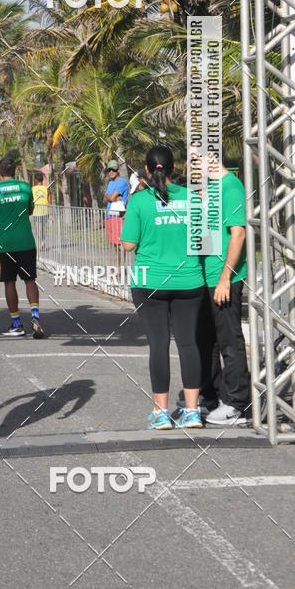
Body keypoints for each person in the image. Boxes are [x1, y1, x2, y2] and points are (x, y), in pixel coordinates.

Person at [121, 145, 206, 430]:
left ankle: (161, 412)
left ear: (147, 171)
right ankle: (193, 411)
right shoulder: (192, 198)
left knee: (158, 344)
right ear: (173, 169)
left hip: (150, 282)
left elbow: (129, 244)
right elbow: (203, 239)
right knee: (188, 343)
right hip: (190, 280)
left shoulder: (140, 201)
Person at [195, 151, 250, 426]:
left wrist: (226, 277)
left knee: (229, 339)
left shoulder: (230, 186)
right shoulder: (210, 189)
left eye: (197, 158)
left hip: (224, 277)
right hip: (206, 276)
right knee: (209, 341)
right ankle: (214, 397)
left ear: (211, 156)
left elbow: (238, 233)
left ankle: (237, 404)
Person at [0, 158, 45, 339]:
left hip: (5, 245)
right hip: (26, 242)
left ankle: (16, 323)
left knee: (9, 282)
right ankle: (35, 316)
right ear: (16, 171)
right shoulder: (26, 187)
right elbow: (30, 210)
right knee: (30, 280)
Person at [103, 160, 129, 266]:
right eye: (109, 170)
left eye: (113, 169)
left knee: (119, 244)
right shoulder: (110, 183)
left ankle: (121, 268)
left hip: (118, 216)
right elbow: (104, 200)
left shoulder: (122, 182)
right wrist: (110, 197)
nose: (111, 172)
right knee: (114, 243)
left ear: (118, 170)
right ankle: (120, 267)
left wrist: (109, 197)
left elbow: (111, 197)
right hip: (109, 216)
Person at [31, 172, 49, 250]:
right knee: (42, 228)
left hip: (36, 212)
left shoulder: (32, 189)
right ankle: (43, 241)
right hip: (45, 211)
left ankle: (42, 241)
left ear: (35, 180)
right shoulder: (46, 188)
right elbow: (49, 201)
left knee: (37, 229)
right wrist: (50, 214)